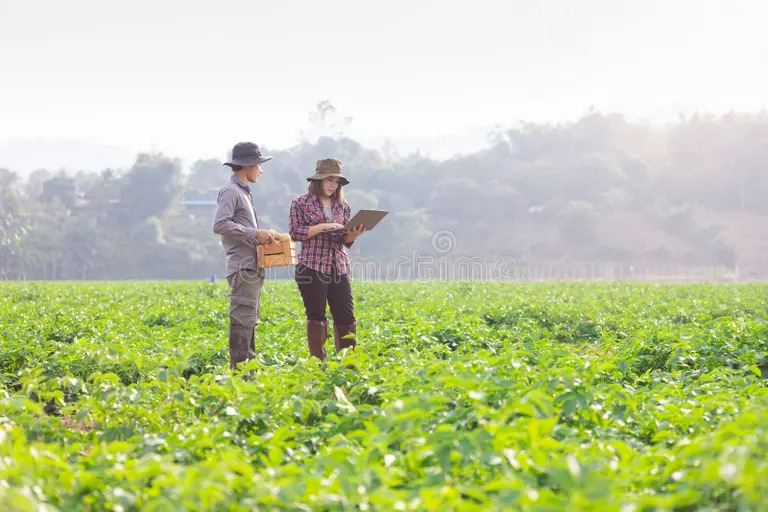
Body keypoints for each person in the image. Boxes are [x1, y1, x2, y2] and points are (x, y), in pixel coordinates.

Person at [289, 158, 366, 360]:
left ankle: (347, 365)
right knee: (316, 316)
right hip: (312, 266)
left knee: (346, 316)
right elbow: (295, 233)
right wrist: (324, 227)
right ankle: (319, 364)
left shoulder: (343, 206)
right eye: (329, 180)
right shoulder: (300, 203)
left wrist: (353, 234)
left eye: (336, 181)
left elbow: (344, 240)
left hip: (338, 265)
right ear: (318, 180)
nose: (333, 185)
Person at [213, 142, 279, 370]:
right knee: (242, 321)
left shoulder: (243, 192)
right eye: (258, 165)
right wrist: (255, 233)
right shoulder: (231, 191)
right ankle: (241, 376)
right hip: (243, 267)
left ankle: (248, 373)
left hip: (252, 266)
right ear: (248, 166)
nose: (260, 170)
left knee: (249, 321)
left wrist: (263, 236)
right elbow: (220, 224)